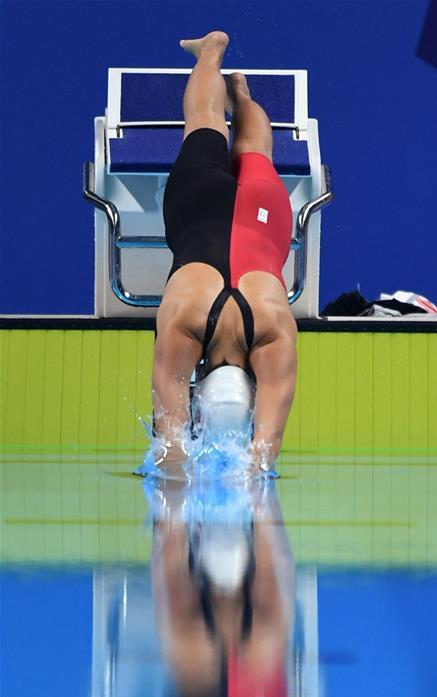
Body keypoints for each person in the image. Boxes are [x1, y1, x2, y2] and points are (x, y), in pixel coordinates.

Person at [152, 30, 297, 475]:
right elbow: (172, 451)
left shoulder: (275, 333)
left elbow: (262, 451)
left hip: (261, 216)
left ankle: (239, 89)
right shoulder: (182, 323)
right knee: (204, 121)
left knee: (256, 152)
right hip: (200, 210)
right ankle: (212, 58)